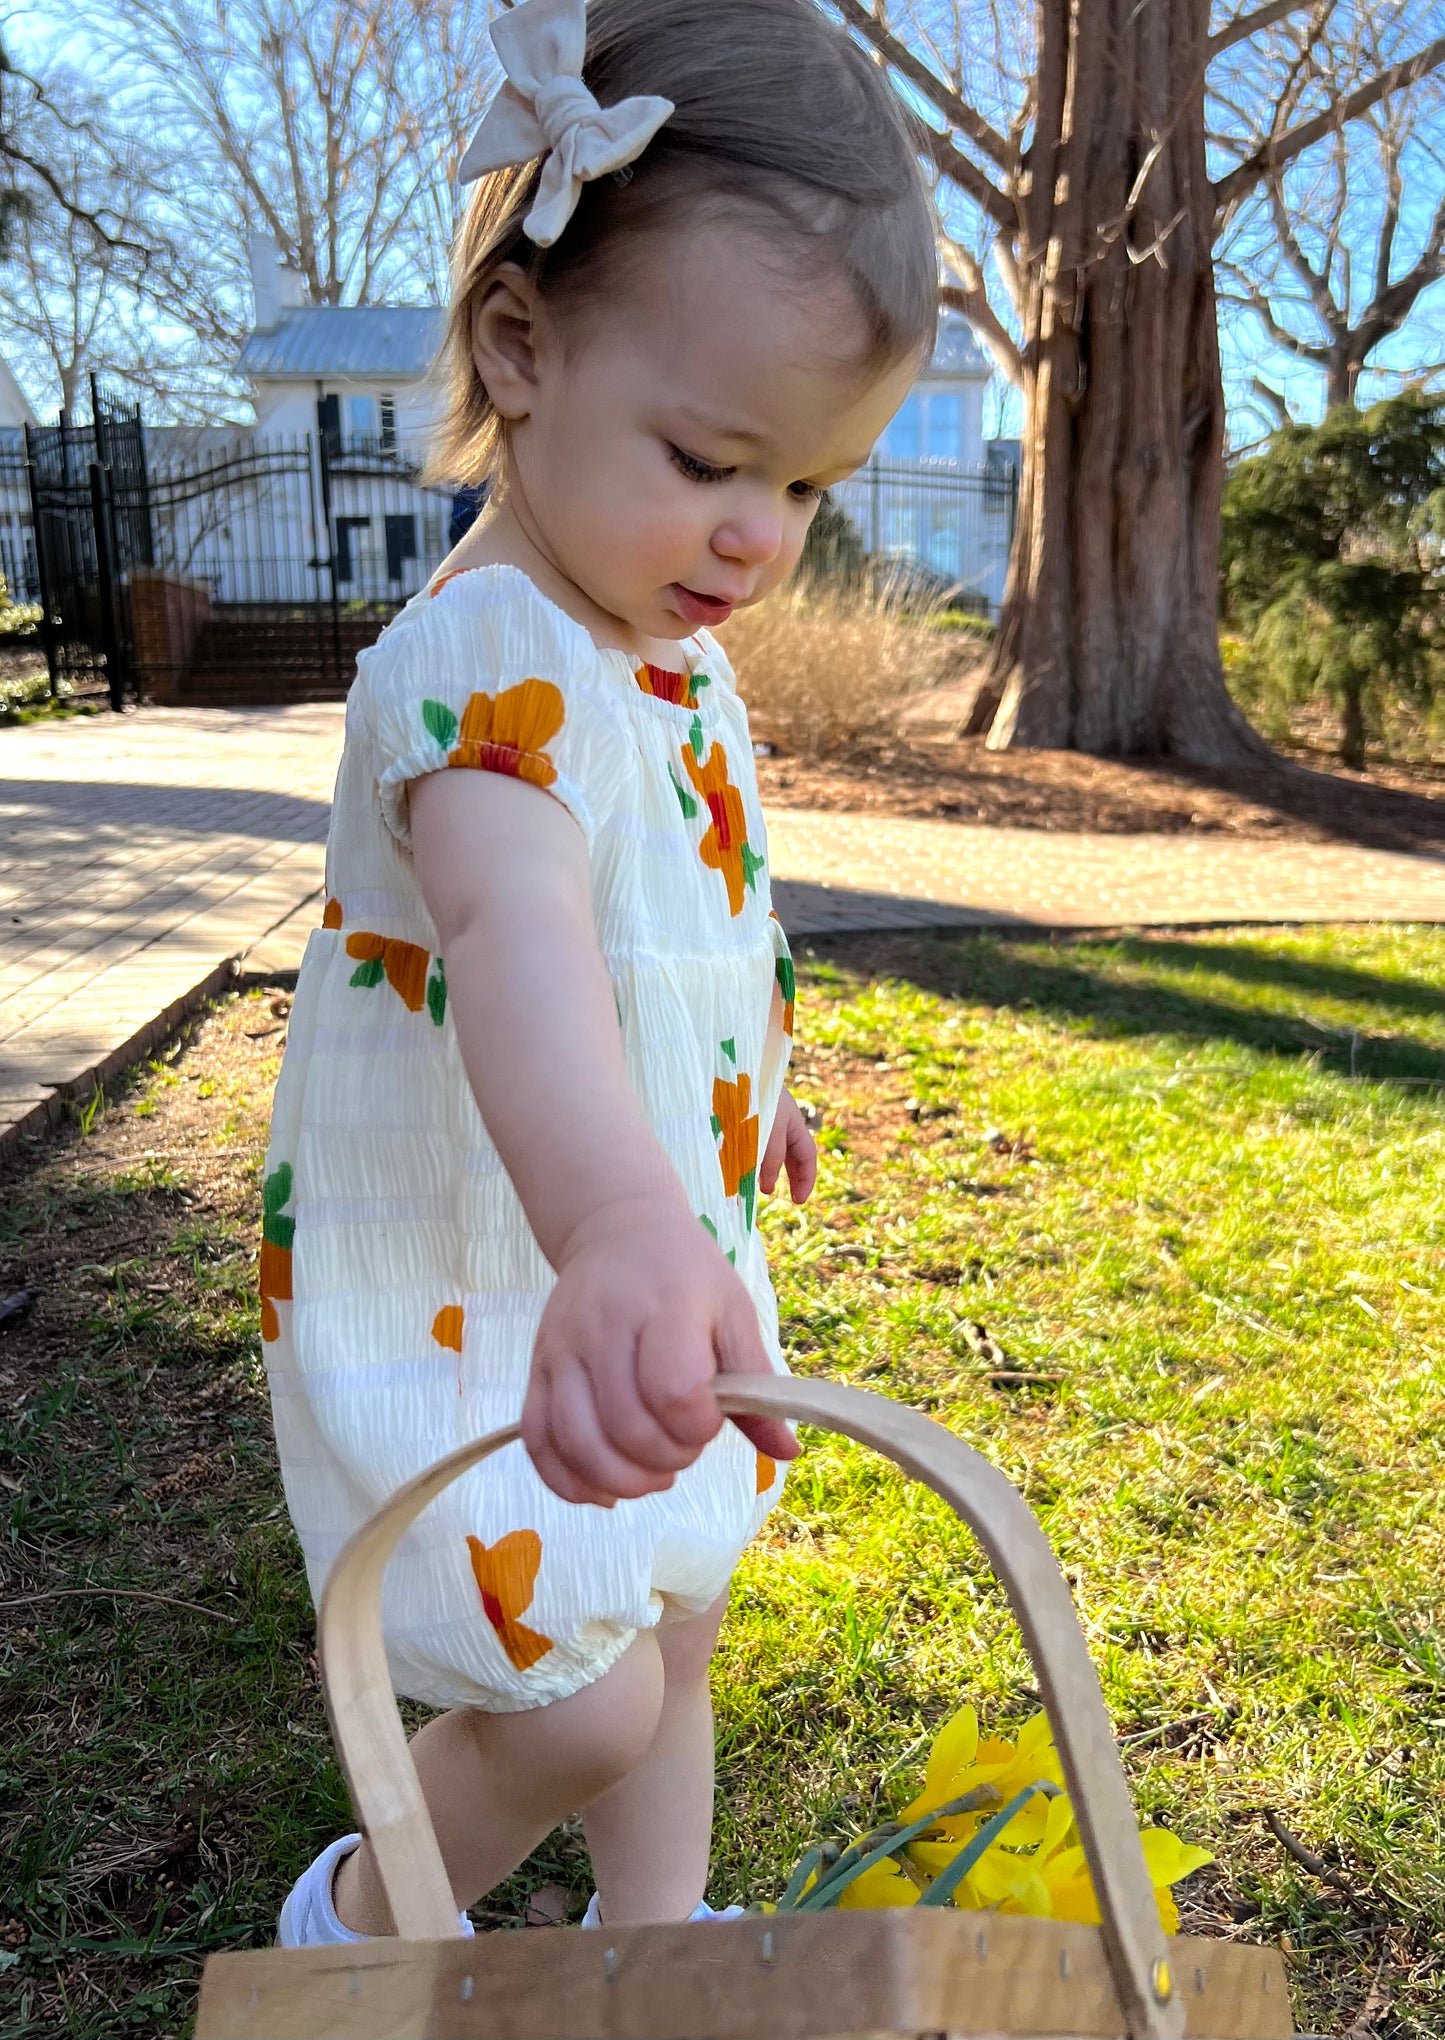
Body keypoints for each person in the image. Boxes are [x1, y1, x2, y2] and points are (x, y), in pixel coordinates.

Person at [267, 0, 937, 1947]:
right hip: (493, 1267)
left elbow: (678, 920)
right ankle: (364, 1925)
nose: (760, 533)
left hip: (643, 1232)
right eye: (716, 457)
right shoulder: (485, 660)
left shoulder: (675, 645)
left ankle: (658, 1938)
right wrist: (634, 1218)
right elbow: (521, 948)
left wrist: (749, 1080)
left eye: (810, 485)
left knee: (680, 1605)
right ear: (521, 350)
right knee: (579, 1687)